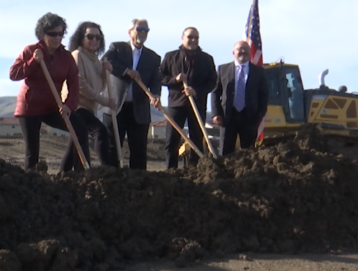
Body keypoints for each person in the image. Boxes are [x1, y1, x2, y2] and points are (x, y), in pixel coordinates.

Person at [10, 12, 90, 172]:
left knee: (79, 129)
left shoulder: (66, 57)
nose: (57, 37)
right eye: (53, 34)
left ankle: (80, 175)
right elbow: (14, 74)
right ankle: (31, 183)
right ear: (42, 34)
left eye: (60, 34)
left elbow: (74, 83)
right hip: (29, 108)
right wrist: (33, 61)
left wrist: (69, 106)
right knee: (32, 151)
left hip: (52, 107)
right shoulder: (31, 50)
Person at [102, 19, 162, 170]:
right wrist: (126, 71)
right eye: (139, 29)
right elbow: (105, 61)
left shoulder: (153, 57)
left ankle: (138, 184)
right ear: (130, 32)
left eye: (146, 30)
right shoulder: (117, 48)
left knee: (139, 149)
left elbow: (156, 80)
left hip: (139, 108)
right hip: (116, 107)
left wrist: (155, 95)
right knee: (112, 147)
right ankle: (112, 180)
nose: (143, 33)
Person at [61, 22, 118, 168]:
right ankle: (107, 169)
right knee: (100, 131)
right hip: (76, 106)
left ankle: (63, 174)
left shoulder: (97, 61)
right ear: (81, 38)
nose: (94, 40)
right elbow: (80, 85)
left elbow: (100, 87)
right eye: (90, 36)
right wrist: (105, 101)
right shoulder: (77, 55)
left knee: (75, 141)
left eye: (98, 37)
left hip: (89, 107)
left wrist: (106, 73)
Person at [159, 27, 217, 168]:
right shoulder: (170, 56)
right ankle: (171, 171)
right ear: (182, 38)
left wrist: (196, 91)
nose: (193, 40)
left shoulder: (206, 59)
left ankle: (195, 170)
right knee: (172, 140)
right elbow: (159, 77)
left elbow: (212, 82)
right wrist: (175, 79)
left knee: (197, 139)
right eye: (190, 37)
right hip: (176, 104)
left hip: (197, 104)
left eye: (196, 38)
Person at [212, 40, 269, 155]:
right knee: (225, 150)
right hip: (228, 117)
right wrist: (216, 113)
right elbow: (215, 93)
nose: (243, 51)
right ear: (233, 52)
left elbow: (264, 94)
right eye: (239, 49)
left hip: (249, 117)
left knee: (248, 152)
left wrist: (260, 113)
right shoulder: (223, 69)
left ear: (250, 52)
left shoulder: (259, 71)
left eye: (246, 49)